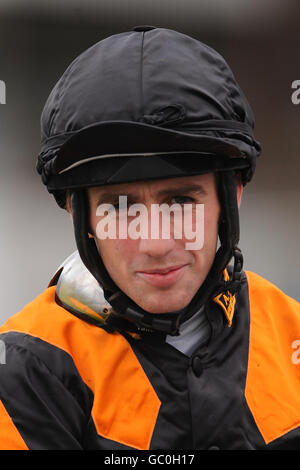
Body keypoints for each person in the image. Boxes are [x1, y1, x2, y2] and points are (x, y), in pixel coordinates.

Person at [0, 25, 299, 451]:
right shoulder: (25, 369)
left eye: (181, 200)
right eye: (120, 208)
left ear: (231, 195)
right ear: (76, 211)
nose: (155, 243)